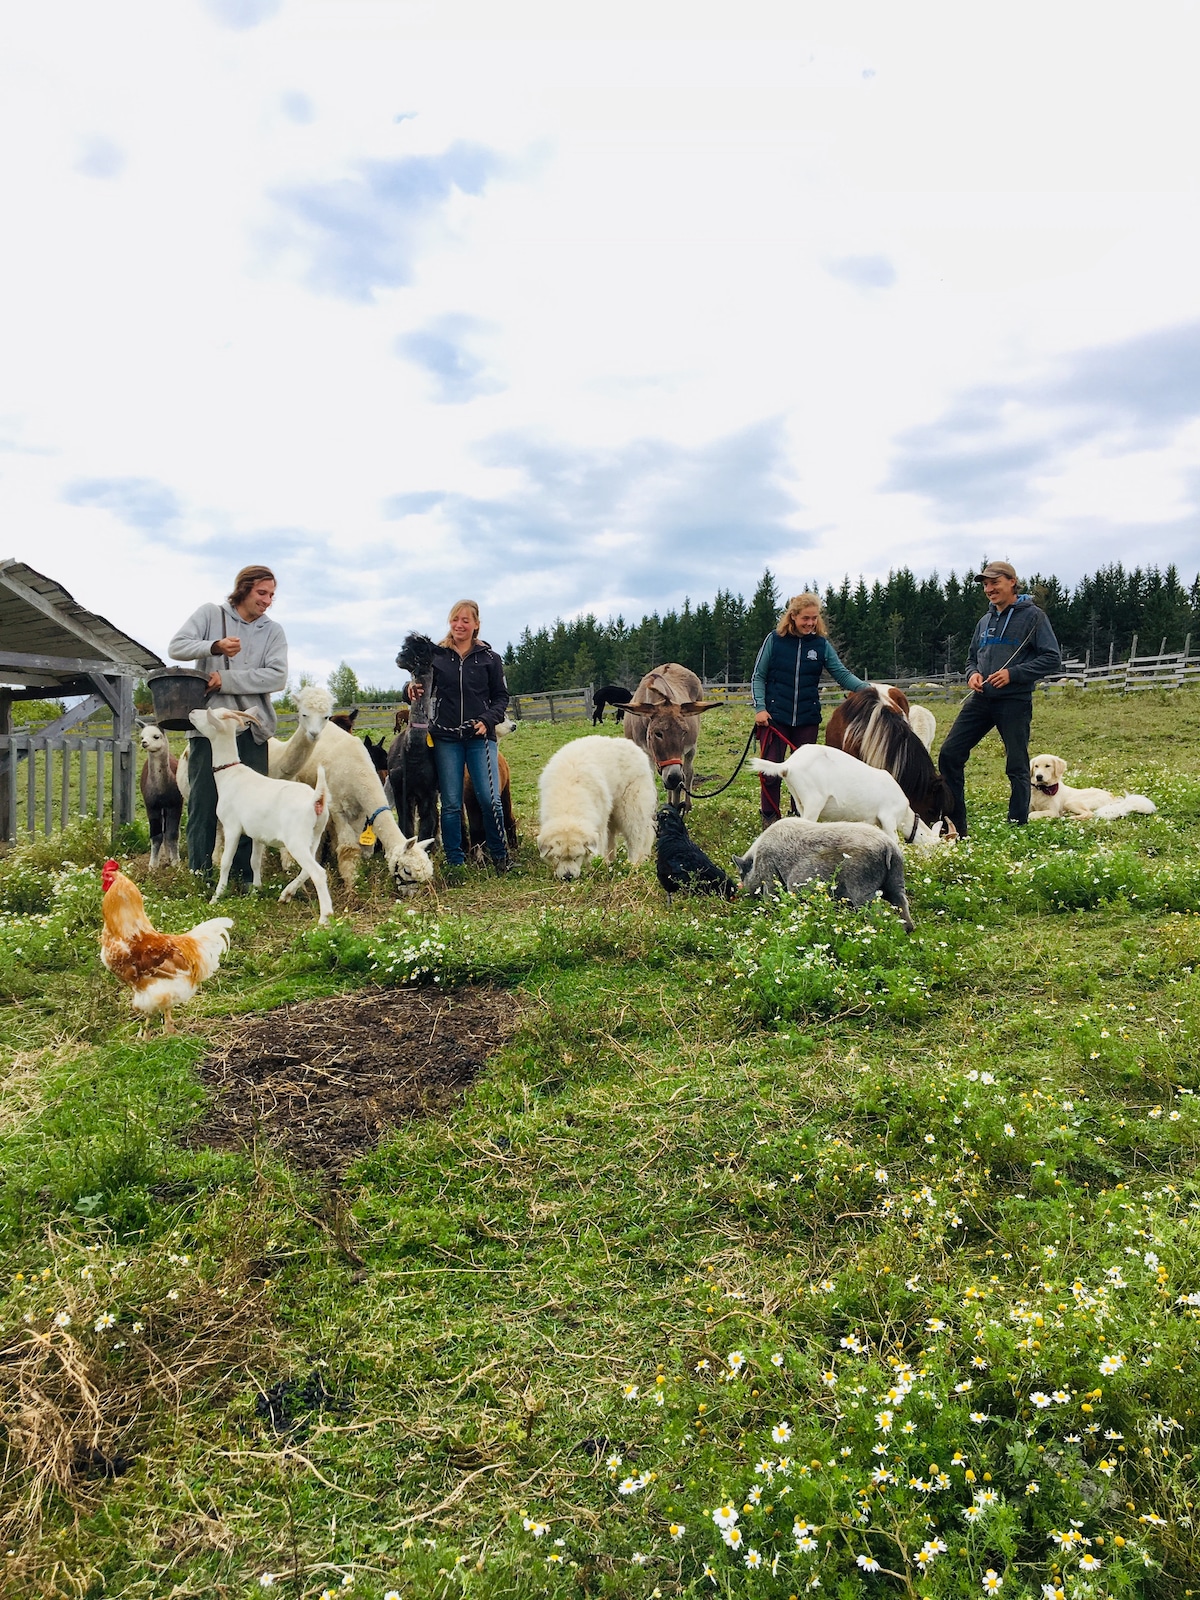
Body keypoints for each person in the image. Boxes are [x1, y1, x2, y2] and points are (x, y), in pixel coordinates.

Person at [168, 565, 288, 879]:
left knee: (252, 807)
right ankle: (199, 874)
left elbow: (278, 676)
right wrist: (213, 646)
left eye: (272, 595)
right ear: (244, 589)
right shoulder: (210, 615)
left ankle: (243, 878)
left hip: (250, 729)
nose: (267, 601)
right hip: (210, 730)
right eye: (262, 593)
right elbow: (176, 646)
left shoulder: (273, 631)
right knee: (203, 804)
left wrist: (227, 679)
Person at [937, 561, 1061, 836]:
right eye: (985, 584)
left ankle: (1017, 825)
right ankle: (957, 826)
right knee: (950, 753)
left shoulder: (1034, 617)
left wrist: (1013, 674)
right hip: (981, 699)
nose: (989, 589)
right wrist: (972, 674)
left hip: (1014, 700)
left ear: (1012, 582)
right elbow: (971, 658)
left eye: (995, 582)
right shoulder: (985, 621)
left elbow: (1052, 658)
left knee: (1017, 764)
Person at [750, 591, 868, 826]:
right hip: (775, 718)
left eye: (814, 618)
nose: (810, 623)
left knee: (804, 774)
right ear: (793, 616)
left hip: (807, 719)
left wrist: (869, 690)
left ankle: (800, 820)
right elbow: (758, 676)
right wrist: (760, 708)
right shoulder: (774, 640)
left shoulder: (820, 645)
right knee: (771, 771)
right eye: (806, 618)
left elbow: (842, 674)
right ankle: (770, 818)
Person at [411, 600, 510, 873]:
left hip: (480, 737)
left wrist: (488, 720)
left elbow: (501, 698)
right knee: (452, 803)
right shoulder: (437, 656)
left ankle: (500, 856)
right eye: (455, 619)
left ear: (476, 624)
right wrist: (410, 688)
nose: (459, 625)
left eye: (466, 620)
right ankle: (456, 860)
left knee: (489, 798)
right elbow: (421, 685)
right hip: (446, 738)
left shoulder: (490, 659)